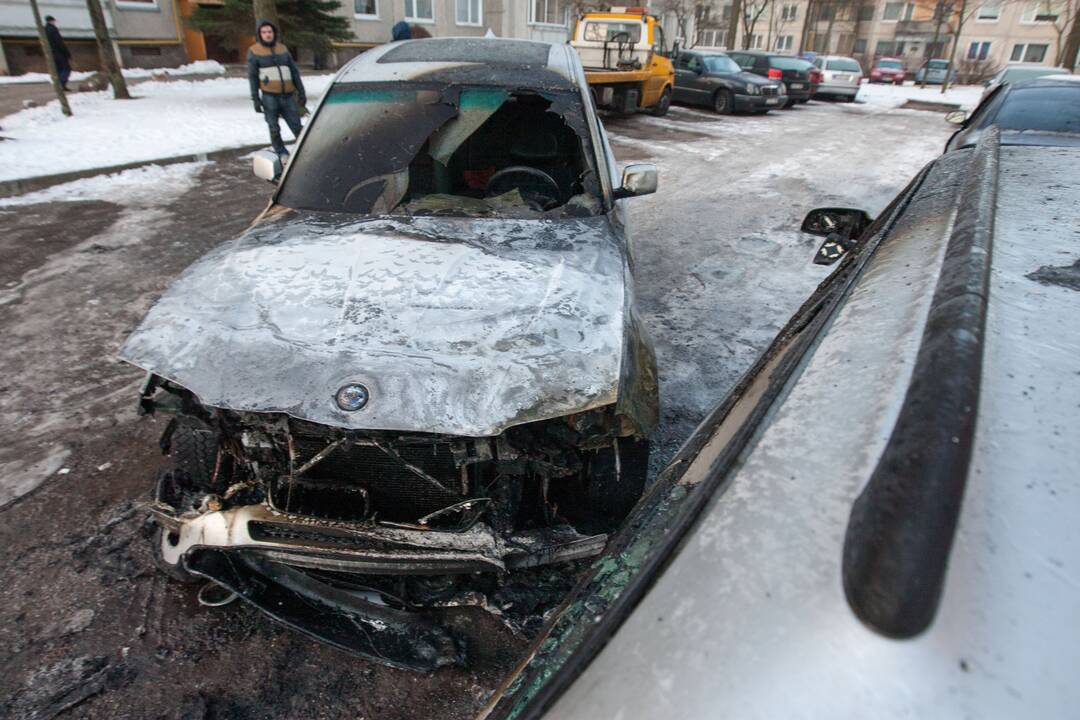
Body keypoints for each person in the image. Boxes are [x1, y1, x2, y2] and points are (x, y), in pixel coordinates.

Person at [247, 20, 306, 158]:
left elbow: (294, 72)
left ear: (274, 33)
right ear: (259, 34)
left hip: (288, 96)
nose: (267, 35)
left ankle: (305, 151)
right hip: (269, 97)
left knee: (297, 126)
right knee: (274, 128)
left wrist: (301, 92)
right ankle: (281, 153)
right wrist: (255, 98)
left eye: (270, 32)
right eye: (264, 32)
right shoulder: (254, 51)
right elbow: (253, 76)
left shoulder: (283, 49)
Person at [44, 16, 72, 91]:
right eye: (53, 21)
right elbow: (59, 42)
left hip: (51, 53)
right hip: (59, 53)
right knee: (66, 68)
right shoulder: (53, 29)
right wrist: (66, 53)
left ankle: (58, 84)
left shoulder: (44, 30)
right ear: (51, 21)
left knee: (58, 69)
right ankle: (62, 84)